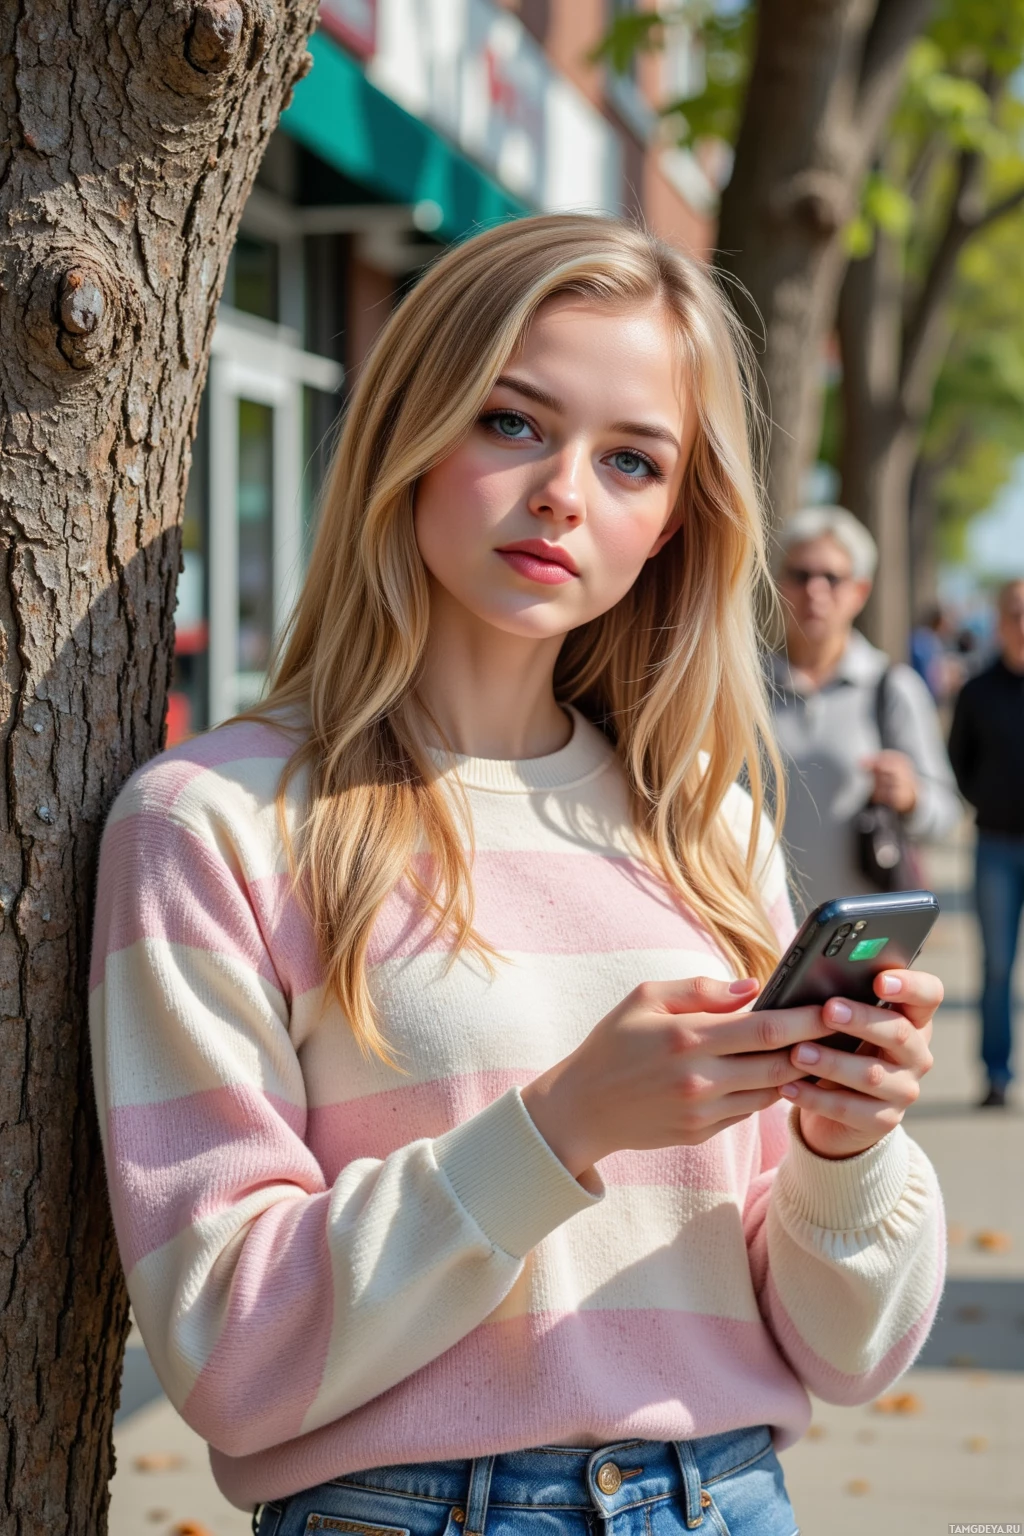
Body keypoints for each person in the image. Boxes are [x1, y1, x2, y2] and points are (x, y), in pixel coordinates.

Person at [90, 217, 945, 1536]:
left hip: (729, 1498)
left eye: (630, 461)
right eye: (510, 422)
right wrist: (562, 1128)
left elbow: (850, 1355)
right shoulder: (215, 822)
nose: (563, 492)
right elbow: (228, 1354)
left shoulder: (706, 830)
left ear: (672, 524)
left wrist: (848, 1145)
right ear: (411, 430)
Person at [769, 506, 961, 912]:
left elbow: (945, 814)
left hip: (858, 937)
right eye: (801, 575)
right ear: (780, 584)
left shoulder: (892, 687)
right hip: (753, 934)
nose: (814, 591)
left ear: (859, 592)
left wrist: (911, 799)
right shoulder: (743, 688)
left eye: (832, 578)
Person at [948, 578, 1024, 1108]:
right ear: (999, 621)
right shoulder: (977, 690)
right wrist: (985, 798)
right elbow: (958, 761)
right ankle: (996, 1073)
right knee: (997, 966)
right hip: (995, 846)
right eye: (1015, 612)